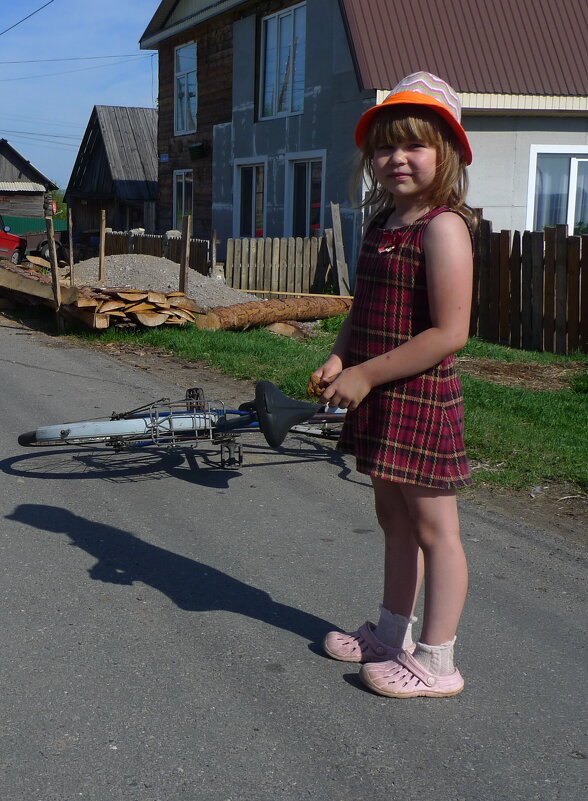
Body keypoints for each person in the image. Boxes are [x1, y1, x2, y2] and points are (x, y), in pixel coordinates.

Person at [311, 72, 475, 698]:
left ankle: (437, 661)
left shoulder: (443, 227)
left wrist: (366, 373)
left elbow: (449, 333)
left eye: (414, 146)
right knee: (392, 516)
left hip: (422, 399)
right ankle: (391, 632)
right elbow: (365, 306)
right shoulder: (384, 224)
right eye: (384, 147)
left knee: (437, 531)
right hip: (379, 393)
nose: (396, 159)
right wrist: (338, 355)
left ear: (448, 154)